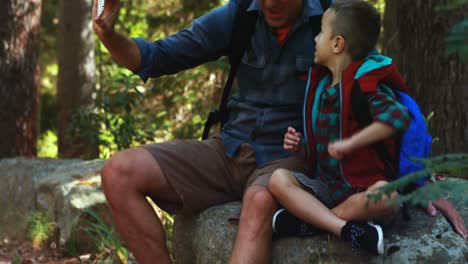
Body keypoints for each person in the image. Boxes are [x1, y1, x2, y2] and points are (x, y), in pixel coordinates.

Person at [92, 0, 327, 263]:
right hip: (230, 147)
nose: (270, 3)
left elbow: (367, 86)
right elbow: (155, 57)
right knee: (118, 174)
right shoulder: (240, 14)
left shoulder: (332, 19)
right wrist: (109, 36)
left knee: (259, 199)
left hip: (288, 156)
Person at [269, 0, 409, 255]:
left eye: (321, 31)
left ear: (337, 44)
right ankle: (347, 230)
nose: (315, 38)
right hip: (325, 187)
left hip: (361, 189)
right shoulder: (322, 86)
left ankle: (314, 222)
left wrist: (352, 143)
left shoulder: (364, 85)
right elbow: (319, 151)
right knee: (278, 179)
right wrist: (300, 147)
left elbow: (397, 119)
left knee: (388, 196)